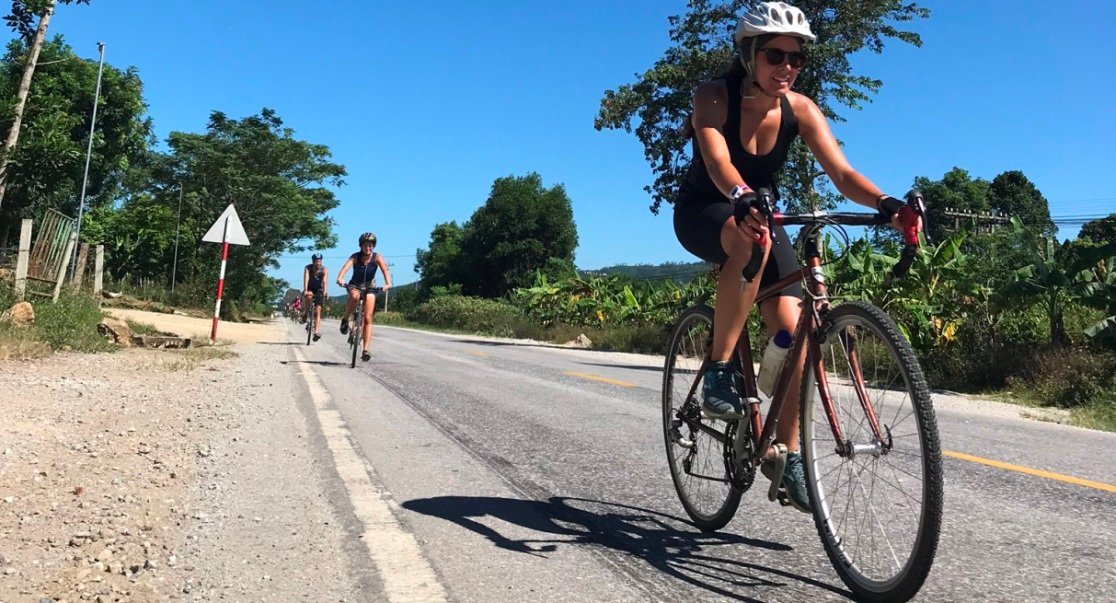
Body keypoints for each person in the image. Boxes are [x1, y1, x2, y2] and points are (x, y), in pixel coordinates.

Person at [672, 1, 920, 512]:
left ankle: (786, 455)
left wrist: (887, 205)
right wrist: (741, 195)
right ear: (749, 55)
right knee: (749, 241)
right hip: (707, 207)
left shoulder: (800, 109)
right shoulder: (712, 97)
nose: (787, 66)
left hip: (760, 212)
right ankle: (720, 367)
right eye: (775, 55)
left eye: (797, 58)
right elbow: (717, 161)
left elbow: (842, 174)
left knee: (795, 331)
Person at [335, 232, 391, 362]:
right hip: (355, 285)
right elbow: (345, 268)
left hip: (370, 286)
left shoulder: (377, 257)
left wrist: (387, 284)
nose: (368, 248)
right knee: (354, 296)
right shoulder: (355, 257)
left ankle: (365, 350)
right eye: (365, 245)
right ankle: (345, 319)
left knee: (368, 318)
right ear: (361, 246)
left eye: (370, 245)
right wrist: (340, 278)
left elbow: (384, 270)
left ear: (373, 246)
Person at [301, 253, 329, 341]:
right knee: (309, 296)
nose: (318, 263)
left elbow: (324, 281)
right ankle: (306, 314)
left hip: (319, 289)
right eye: (316, 261)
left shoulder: (324, 270)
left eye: (320, 261)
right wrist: (305, 290)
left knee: (318, 311)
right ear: (313, 261)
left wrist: (325, 291)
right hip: (310, 288)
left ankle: (316, 332)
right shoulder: (308, 268)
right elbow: (306, 279)